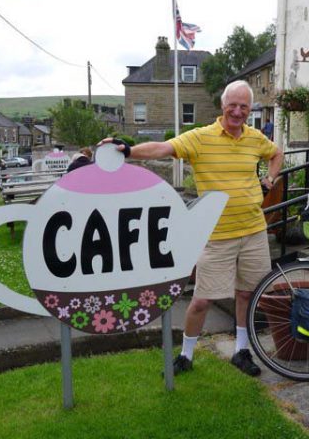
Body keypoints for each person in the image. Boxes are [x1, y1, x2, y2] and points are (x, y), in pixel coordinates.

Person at [99, 80, 283, 376]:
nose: (237, 112)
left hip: (253, 231)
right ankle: (185, 355)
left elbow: (276, 154)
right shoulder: (200, 138)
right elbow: (162, 147)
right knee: (201, 300)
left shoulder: (255, 138)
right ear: (222, 106)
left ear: (250, 109)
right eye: (232, 105)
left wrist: (269, 179)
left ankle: (241, 350)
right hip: (216, 236)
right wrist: (128, 150)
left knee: (247, 295)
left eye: (243, 106)